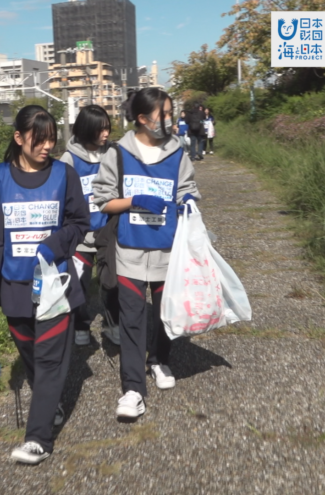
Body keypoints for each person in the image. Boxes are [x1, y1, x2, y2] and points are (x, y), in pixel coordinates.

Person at [0, 105, 90, 464]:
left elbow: (79, 222)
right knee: (32, 356)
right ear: (19, 138)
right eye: (39, 140)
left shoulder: (64, 175)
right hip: (14, 288)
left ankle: (38, 439)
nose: (47, 147)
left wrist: (55, 244)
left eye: (52, 139)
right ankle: (48, 402)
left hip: (55, 284)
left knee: (51, 359)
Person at [92, 88, 200, 419]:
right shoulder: (118, 154)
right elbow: (102, 200)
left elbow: (187, 189)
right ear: (142, 119)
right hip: (129, 251)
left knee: (166, 313)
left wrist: (189, 201)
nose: (169, 119)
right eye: (163, 114)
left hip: (169, 252)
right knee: (132, 321)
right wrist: (134, 201)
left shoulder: (177, 152)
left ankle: (160, 360)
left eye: (170, 113)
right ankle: (133, 389)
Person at [58, 104, 121, 347]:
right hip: (81, 236)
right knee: (79, 285)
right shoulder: (69, 159)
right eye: (100, 129)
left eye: (107, 128)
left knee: (112, 283)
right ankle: (81, 325)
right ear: (87, 129)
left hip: (108, 230)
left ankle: (112, 324)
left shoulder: (113, 154)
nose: (106, 134)